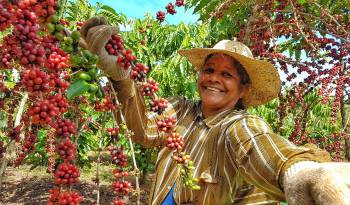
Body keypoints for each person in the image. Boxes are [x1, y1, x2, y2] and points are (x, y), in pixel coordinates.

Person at [80, 17, 350, 205]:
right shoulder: (179, 109)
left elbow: (257, 145)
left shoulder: (238, 125)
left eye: (227, 75)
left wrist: (297, 170)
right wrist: (122, 79)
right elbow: (143, 129)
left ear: (243, 89)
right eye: (208, 70)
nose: (214, 79)